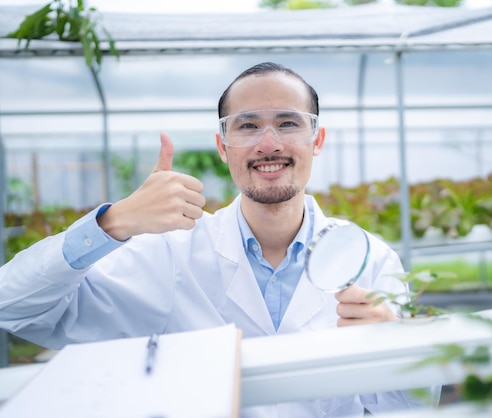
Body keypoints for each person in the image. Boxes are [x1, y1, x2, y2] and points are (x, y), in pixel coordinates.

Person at [0, 62, 436, 416]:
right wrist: (113, 223)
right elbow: (16, 308)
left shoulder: (371, 259)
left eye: (288, 123)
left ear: (316, 140)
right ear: (223, 145)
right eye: (247, 126)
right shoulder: (171, 254)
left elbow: (411, 406)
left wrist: (396, 344)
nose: (269, 144)